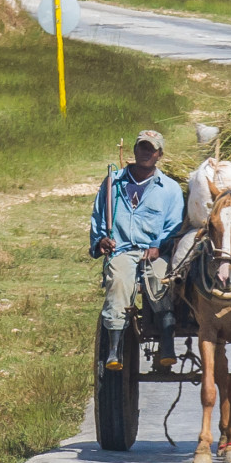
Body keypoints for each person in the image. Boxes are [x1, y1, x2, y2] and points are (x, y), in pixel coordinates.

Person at [89, 130, 185, 371]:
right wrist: (101, 240)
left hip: (155, 253)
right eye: (142, 147)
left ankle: (167, 344)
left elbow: (174, 227)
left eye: (151, 149)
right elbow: (99, 216)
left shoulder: (170, 189)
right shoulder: (113, 182)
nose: (145, 152)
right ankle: (114, 350)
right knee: (119, 281)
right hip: (122, 250)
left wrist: (158, 246)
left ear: (160, 154)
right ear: (134, 150)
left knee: (160, 281)